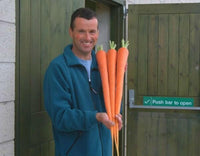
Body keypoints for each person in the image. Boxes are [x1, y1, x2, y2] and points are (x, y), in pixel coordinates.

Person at [43, 7, 123, 156]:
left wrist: (116, 114)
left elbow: (114, 106)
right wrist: (95, 117)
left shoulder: (104, 65)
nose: (87, 37)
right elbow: (61, 117)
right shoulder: (59, 68)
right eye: (81, 31)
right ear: (71, 32)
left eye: (92, 31)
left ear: (98, 33)